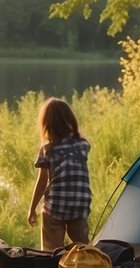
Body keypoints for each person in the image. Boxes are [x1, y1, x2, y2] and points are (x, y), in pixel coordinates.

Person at [28, 97, 92, 251]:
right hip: (80, 204)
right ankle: (86, 263)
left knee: (52, 252)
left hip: (56, 206)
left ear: (47, 124)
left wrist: (32, 209)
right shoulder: (83, 144)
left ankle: (52, 261)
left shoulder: (48, 149)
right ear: (70, 119)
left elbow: (43, 182)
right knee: (82, 247)